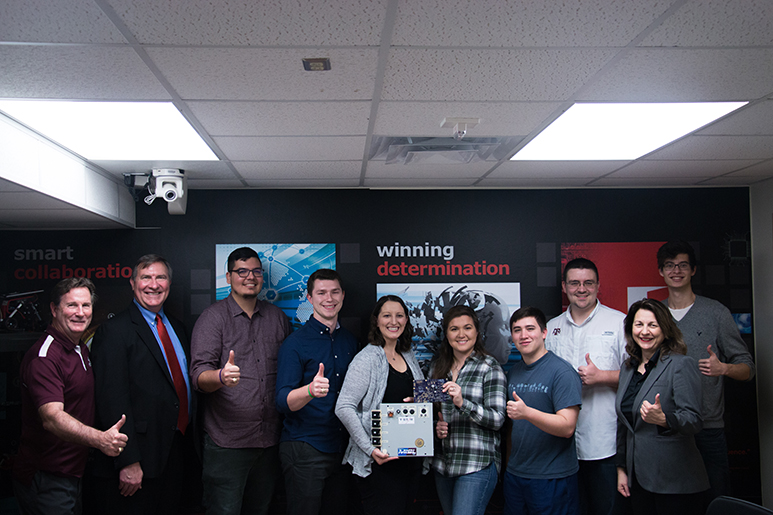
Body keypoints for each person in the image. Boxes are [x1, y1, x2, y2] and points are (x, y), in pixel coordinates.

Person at [13, 278, 127, 515]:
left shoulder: (79, 347)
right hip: (48, 478)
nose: (80, 313)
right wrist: (100, 439)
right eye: (71, 305)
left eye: (86, 306)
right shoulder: (44, 358)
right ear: (54, 309)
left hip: (72, 474)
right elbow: (52, 417)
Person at [190, 247, 291, 515]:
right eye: (242, 271)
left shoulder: (277, 318)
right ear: (228, 277)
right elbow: (198, 377)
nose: (250, 277)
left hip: (269, 441)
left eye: (256, 271)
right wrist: (221, 377)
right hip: (227, 444)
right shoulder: (213, 318)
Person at [91, 254, 194, 515]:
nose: (154, 284)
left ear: (169, 283)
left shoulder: (178, 329)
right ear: (132, 283)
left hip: (175, 450)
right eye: (146, 277)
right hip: (139, 458)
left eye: (160, 277)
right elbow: (111, 398)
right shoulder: (114, 331)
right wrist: (128, 461)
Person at [657, 241, 755, 501]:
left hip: (708, 427)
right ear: (661, 272)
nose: (676, 271)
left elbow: (748, 369)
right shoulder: (654, 315)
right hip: (666, 425)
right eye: (669, 265)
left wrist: (724, 368)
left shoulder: (715, 312)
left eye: (683, 265)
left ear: (693, 270)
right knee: (673, 503)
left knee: (716, 498)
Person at [545, 258, 626, 515]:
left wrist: (602, 377)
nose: (582, 289)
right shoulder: (551, 328)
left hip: (604, 441)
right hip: (561, 446)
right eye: (575, 283)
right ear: (564, 286)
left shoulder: (620, 323)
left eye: (588, 283)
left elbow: (641, 378)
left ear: (598, 285)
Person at [275, 269, 358, 515]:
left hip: (343, 449)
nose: (329, 298)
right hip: (306, 449)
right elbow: (282, 401)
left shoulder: (350, 341)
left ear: (343, 295)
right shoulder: (295, 343)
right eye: (321, 293)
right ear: (309, 298)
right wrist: (309, 391)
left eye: (334, 292)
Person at [335, 295, 427, 515]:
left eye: (399, 315)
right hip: (379, 463)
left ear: (406, 320)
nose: (393, 321)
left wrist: (419, 402)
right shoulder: (366, 358)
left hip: (410, 460)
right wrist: (370, 450)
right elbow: (343, 407)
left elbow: (423, 398)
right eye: (387, 315)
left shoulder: (408, 355)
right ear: (377, 321)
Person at [616, 299, 709, 515]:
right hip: (638, 479)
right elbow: (624, 425)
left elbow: (694, 420)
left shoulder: (680, 364)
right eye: (639, 325)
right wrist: (622, 468)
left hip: (674, 482)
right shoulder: (628, 368)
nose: (645, 331)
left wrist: (664, 419)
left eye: (653, 325)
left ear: (665, 330)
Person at [505, 306, 582, 515]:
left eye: (530, 328)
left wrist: (527, 413)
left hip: (552, 477)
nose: (524, 335)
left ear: (544, 332)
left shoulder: (562, 372)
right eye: (517, 330)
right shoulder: (513, 373)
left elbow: (567, 426)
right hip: (516, 475)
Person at [432, 305, 506, 515]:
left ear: (477, 332)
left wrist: (463, 403)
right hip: (443, 464)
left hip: (477, 463)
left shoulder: (489, 367)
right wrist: (436, 427)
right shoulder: (438, 367)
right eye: (454, 329)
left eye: (467, 328)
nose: (461, 334)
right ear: (446, 334)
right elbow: (434, 413)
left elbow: (498, 419)